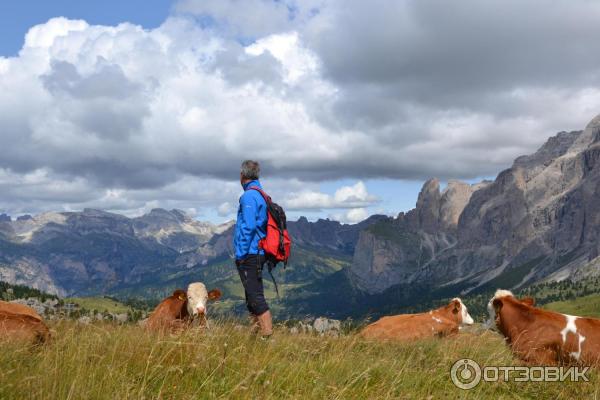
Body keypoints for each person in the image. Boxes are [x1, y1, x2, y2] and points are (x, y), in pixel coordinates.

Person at [234, 160, 273, 338]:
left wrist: (241, 254)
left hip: (250, 253)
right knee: (251, 297)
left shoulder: (249, 196)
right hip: (257, 252)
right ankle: (256, 335)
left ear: (242, 175)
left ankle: (267, 337)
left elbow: (248, 227)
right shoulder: (261, 193)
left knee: (256, 297)